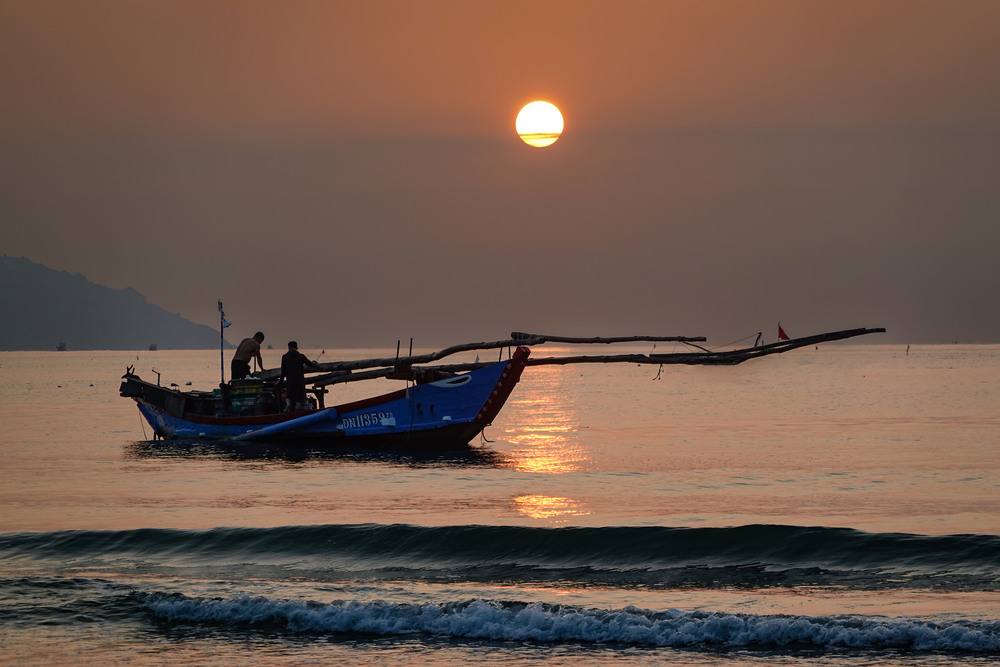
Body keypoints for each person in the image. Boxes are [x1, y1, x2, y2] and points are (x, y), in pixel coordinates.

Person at [280, 340, 319, 412]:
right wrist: (314, 363)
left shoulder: (284, 357)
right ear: (297, 348)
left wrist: (280, 382)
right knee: (298, 400)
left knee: (288, 396)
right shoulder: (301, 356)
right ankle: (296, 414)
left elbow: (283, 371)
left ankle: (288, 404)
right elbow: (309, 364)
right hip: (299, 381)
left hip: (290, 381)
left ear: (288, 348)